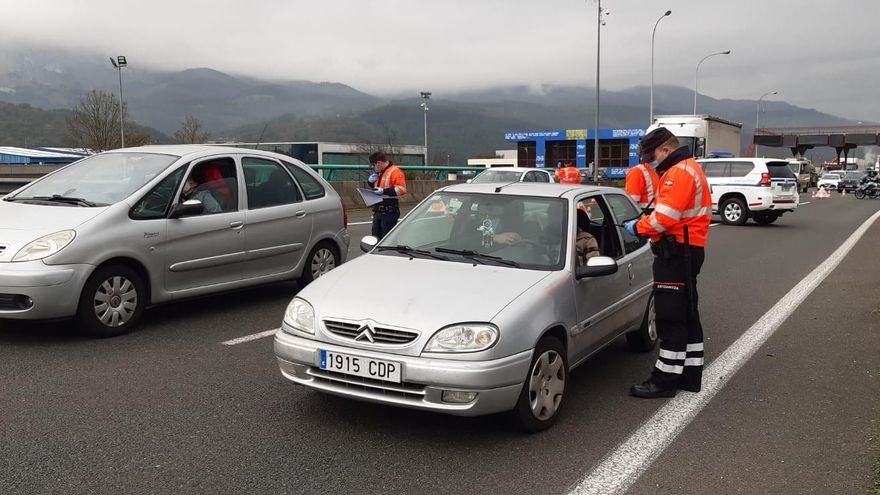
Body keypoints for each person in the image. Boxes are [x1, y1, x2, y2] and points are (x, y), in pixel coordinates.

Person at [623, 127, 712, 398]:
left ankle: (664, 380)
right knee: (687, 314)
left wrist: (637, 228)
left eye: (653, 155)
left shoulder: (678, 173)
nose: (652, 162)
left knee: (671, 317)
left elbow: (665, 218)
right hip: (687, 249)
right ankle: (689, 374)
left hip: (677, 252)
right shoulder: (688, 168)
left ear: (665, 150)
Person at [367, 151, 407, 239]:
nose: (374, 168)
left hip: (389, 211)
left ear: (379, 163)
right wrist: (370, 182)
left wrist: (384, 191)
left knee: (387, 239)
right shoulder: (379, 173)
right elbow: (376, 187)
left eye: (374, 165)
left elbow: (402, 189)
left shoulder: (395, 171)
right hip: (378, 210)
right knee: (375, 238)